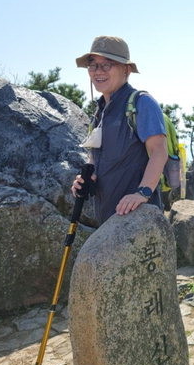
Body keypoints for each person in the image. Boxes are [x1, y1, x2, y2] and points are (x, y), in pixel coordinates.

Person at [71, 36, 168, 225]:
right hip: (109, 220)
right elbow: (97, 159)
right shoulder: (100, 112)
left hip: (138, 220)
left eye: (107, 65)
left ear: (126, 69)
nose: (98, 71)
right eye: (93, 65)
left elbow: (159, 151)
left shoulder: (141, 103)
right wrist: (85, 181)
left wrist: (142, 193)